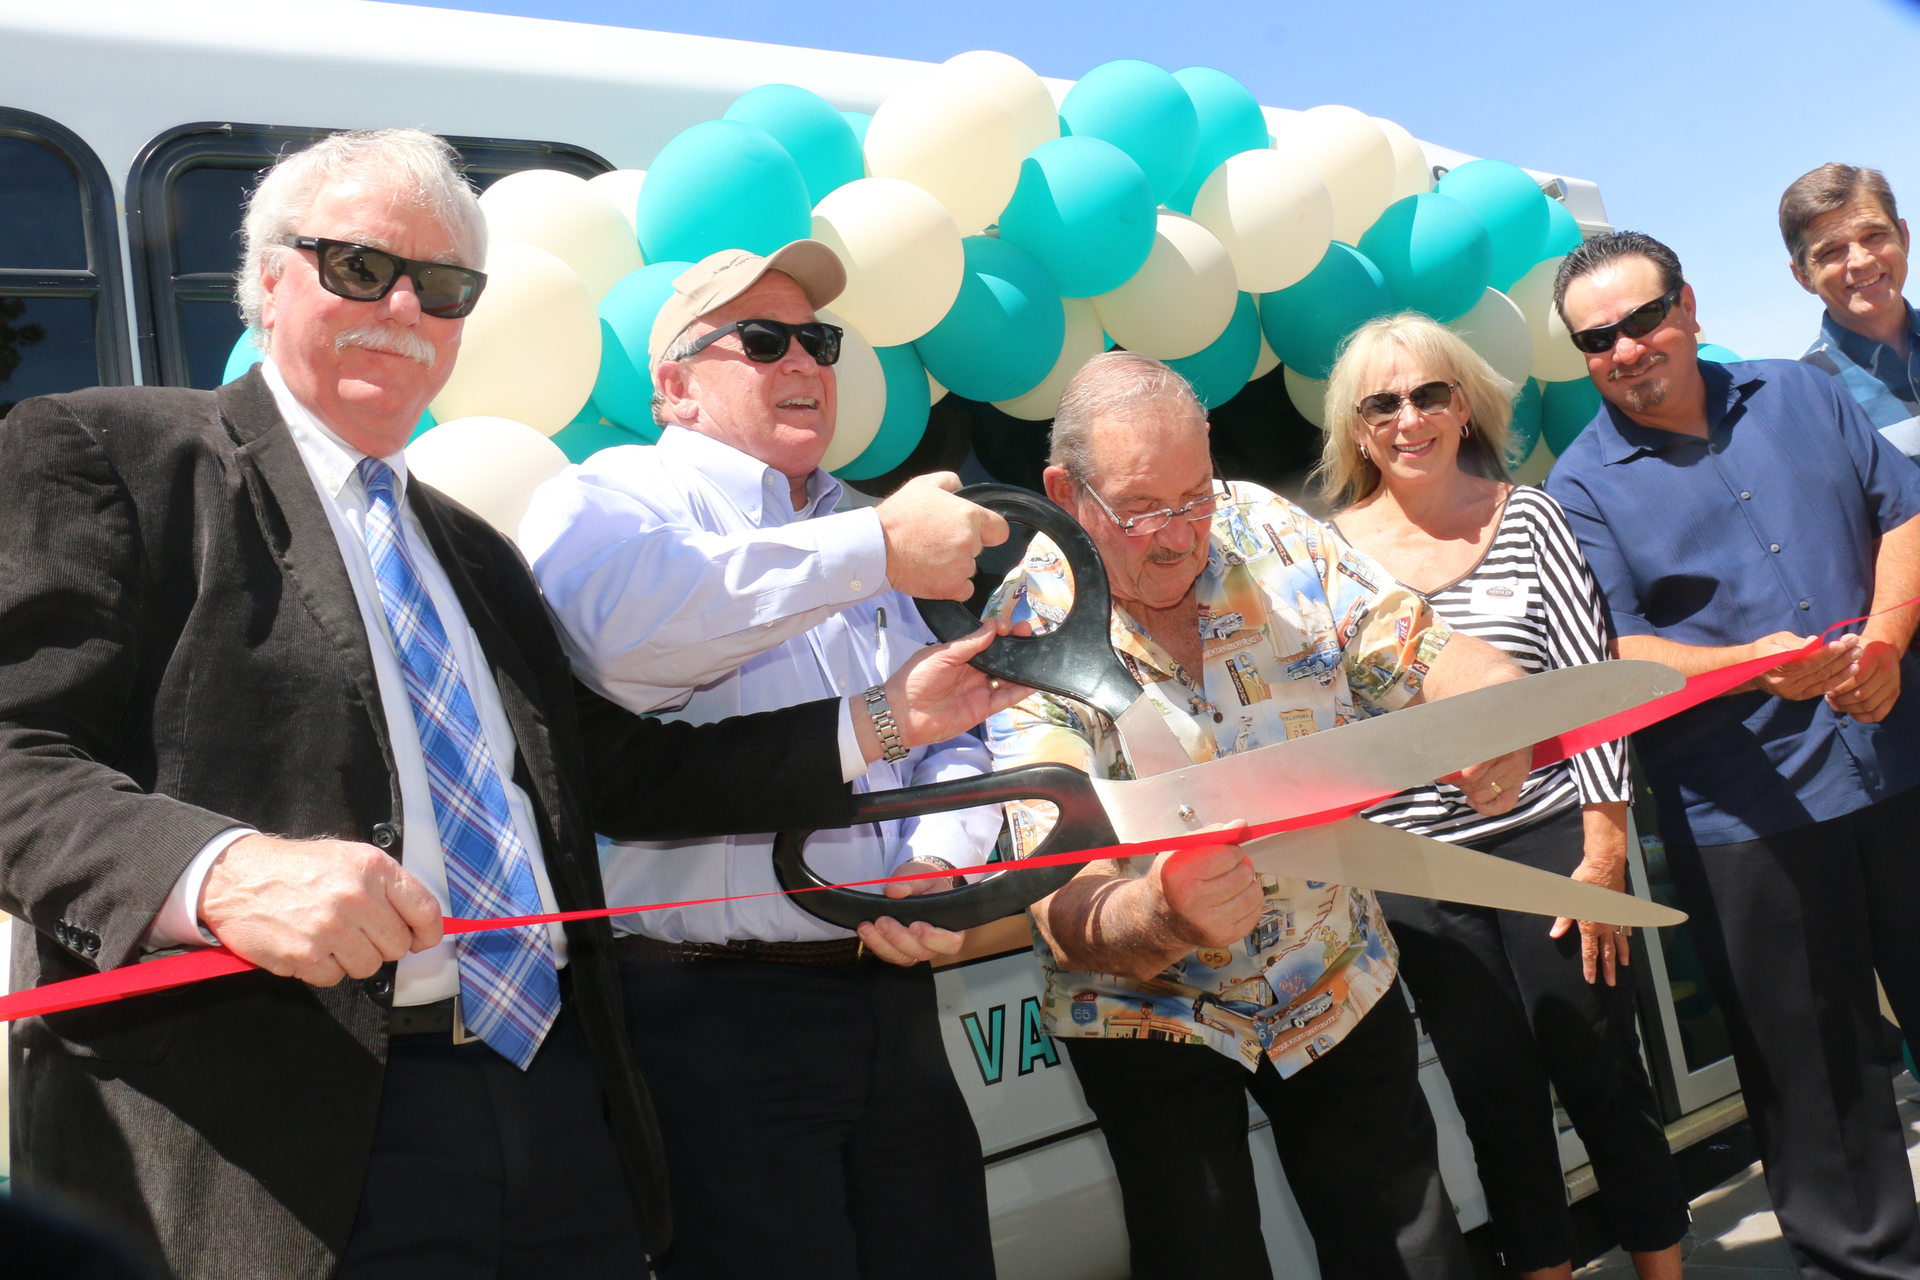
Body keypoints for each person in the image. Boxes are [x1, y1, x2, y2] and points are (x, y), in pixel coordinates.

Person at [0, 128, 1020, 1280]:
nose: (402, 306)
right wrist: (219, 870)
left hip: (545, 1105)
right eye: (358, 267)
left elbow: (625, 778)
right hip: (274, 1129)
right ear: (271, 276)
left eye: (442, 286)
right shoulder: (109, 452)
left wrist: (888, 722)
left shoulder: (473, 550)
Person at [983, 349, 1539, 1280]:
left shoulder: (1267, 529)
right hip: (1146, 1015)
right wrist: (1162, 914)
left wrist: (1492, 706)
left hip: (1328, 969)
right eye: (1142, 510)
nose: (1178, 536)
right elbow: (1056, 894)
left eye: (1193, 497)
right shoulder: (1024, 627)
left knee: (1412, 1251)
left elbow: (1418, 646)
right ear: (1064, 493)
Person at [519, 245, 1009, 1279]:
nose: (805, 362)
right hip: (716, 1018)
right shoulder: (609, 495)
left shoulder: (853, 520)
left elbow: (949, 723)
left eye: (818, 341)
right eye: (763, 339)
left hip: (889, 995)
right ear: (674, 387)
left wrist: (939, 863)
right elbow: (625, 635)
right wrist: (872, 548)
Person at [1547, 229, 1920, 1279]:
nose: (1626, 348)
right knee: (1819, 1085)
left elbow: (1907, 510)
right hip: (1749, 816)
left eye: (1641, 317)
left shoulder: (1802, 395)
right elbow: (1608, 644)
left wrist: (1888, 633)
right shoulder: (1578, 486)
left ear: (1690, 304)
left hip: (1903, 760)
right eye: (1597, 339)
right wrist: (1738, 665)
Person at [1319, 313, 1685, 1280]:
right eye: (1383, 402)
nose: (1410, 418)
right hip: (1418, 872)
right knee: (1496, 1100)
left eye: (1430, 393)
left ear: (1464, 404)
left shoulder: (1528, 519)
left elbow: (1590, 690)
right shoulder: (1323, 561)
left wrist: (1606, 848)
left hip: (1556, 845)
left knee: (1603, 1073)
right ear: (1357, 428)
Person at [1782, 163, 1920, 457]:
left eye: (1873, 235)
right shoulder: (1805, 400)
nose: (1860, 261)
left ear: (1904, 238)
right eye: (1831, 251)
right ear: (1803, 276)